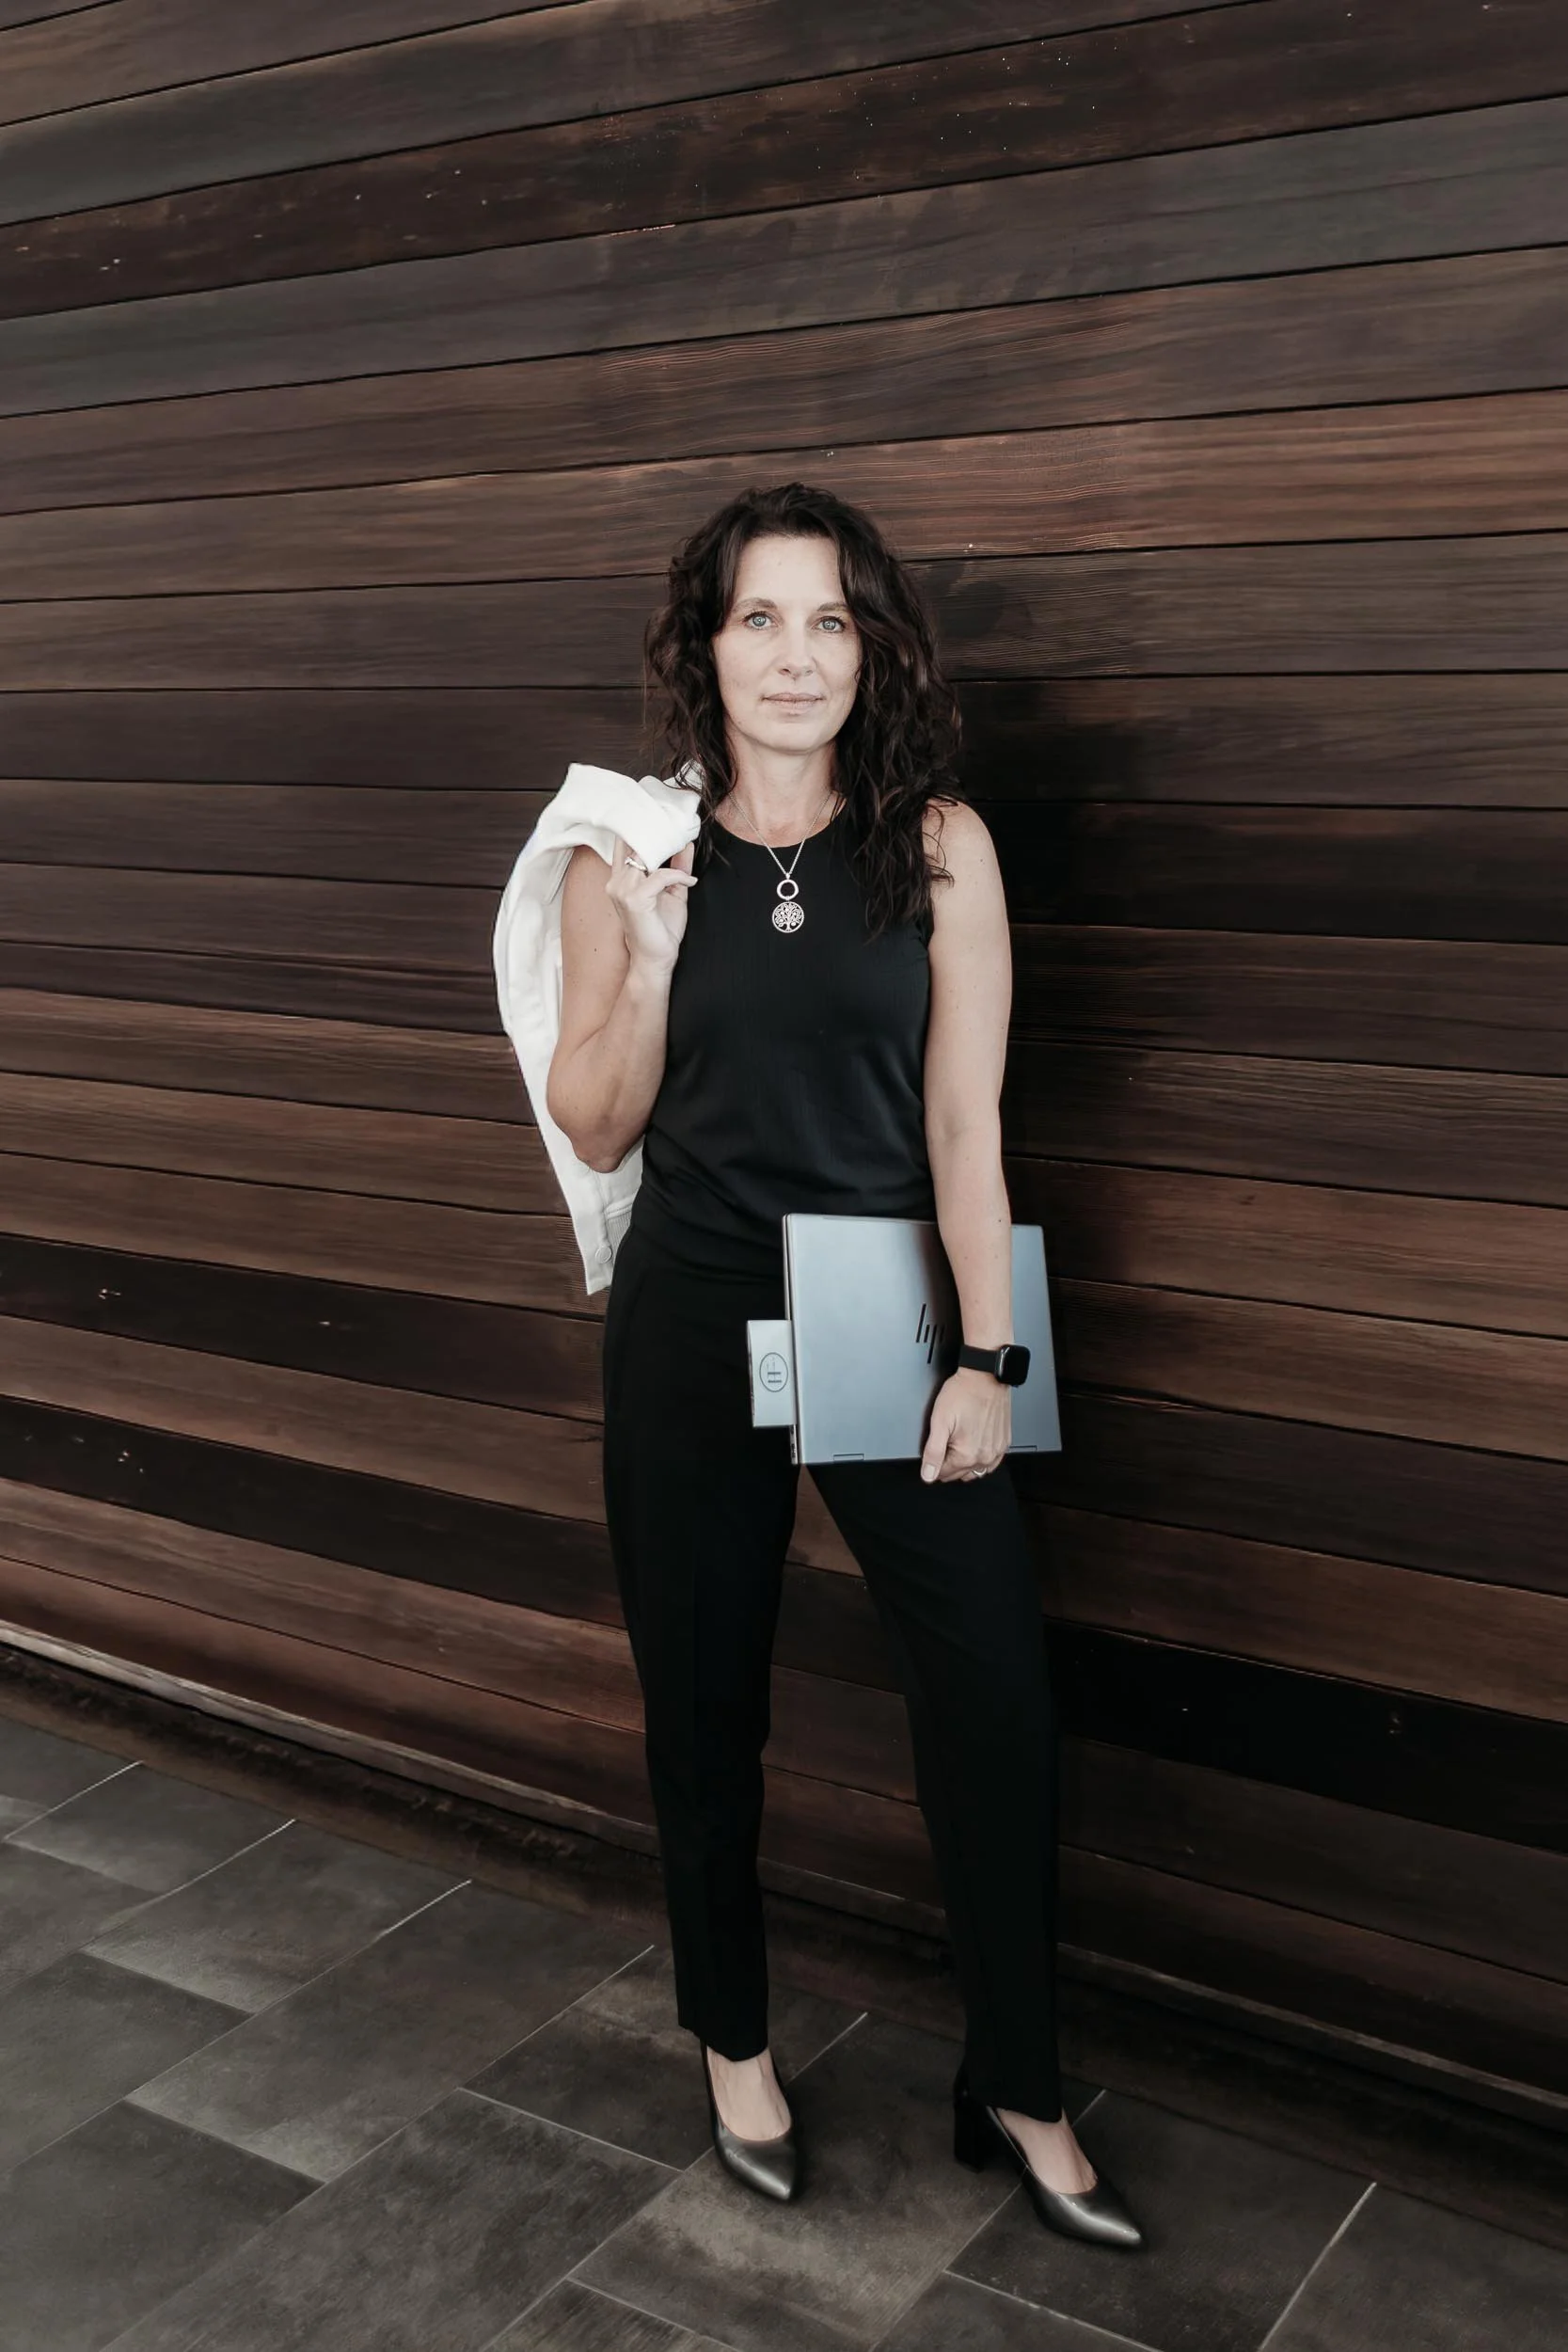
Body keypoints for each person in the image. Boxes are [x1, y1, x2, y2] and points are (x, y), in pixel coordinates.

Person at [546, 482, 1142, 2249]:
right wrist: (647, 962)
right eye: (758, 619)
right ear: (704, 647)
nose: (794, 655)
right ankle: (733, 2044)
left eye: (829, 620)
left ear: (870, 647)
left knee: (997, 1703)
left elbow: (966, 1128)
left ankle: (1018, 2082)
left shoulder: (940, 843)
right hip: (697, 1303)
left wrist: (987, 1354)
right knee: (704, 1701)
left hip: (886, 1308)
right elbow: (592, 1129)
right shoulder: (622, 853)